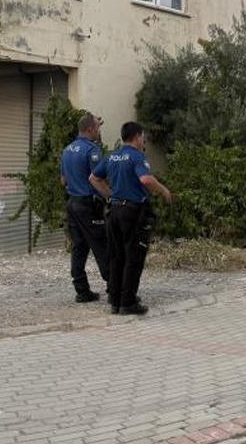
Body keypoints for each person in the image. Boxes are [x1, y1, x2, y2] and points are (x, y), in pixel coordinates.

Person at [89, 122, 172, 316]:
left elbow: (93, 178)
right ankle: (128, 302)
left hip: (114, 211)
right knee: (133, 257)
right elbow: (145, 179)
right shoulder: (136, 156)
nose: (144, 140)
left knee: (116, 257)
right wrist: (164, 190)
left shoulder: (112, 156)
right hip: (132, 213)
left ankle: (115, 301)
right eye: (143, 137)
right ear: (137, 137)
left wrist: (110, 196)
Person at [60, 113, 108, 303]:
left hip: (72, 204)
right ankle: (116, 287)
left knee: (79, 247)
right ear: (90, 129)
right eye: (97, 127)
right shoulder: (92, 150)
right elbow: (97, 179)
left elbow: (63, 181)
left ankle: (82, 290)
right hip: (88, 205)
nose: (99, 130)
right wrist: (111, 196)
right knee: (102, 245)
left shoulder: (67, 150)